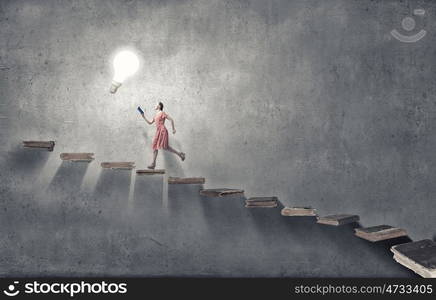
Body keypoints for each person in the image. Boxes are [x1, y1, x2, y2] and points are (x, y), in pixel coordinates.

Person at [140, 102, 185, 169]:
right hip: (158, 132)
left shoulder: (162, 113)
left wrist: (173, 129)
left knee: (165, 147)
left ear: (159, 106)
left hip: (163, 131)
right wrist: (143, 117)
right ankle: (153, 164)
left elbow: (171, 120)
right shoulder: (155, 115)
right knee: (154, 146)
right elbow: (150, 123)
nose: (155, 105)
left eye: (156, 104)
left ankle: (180, 154)